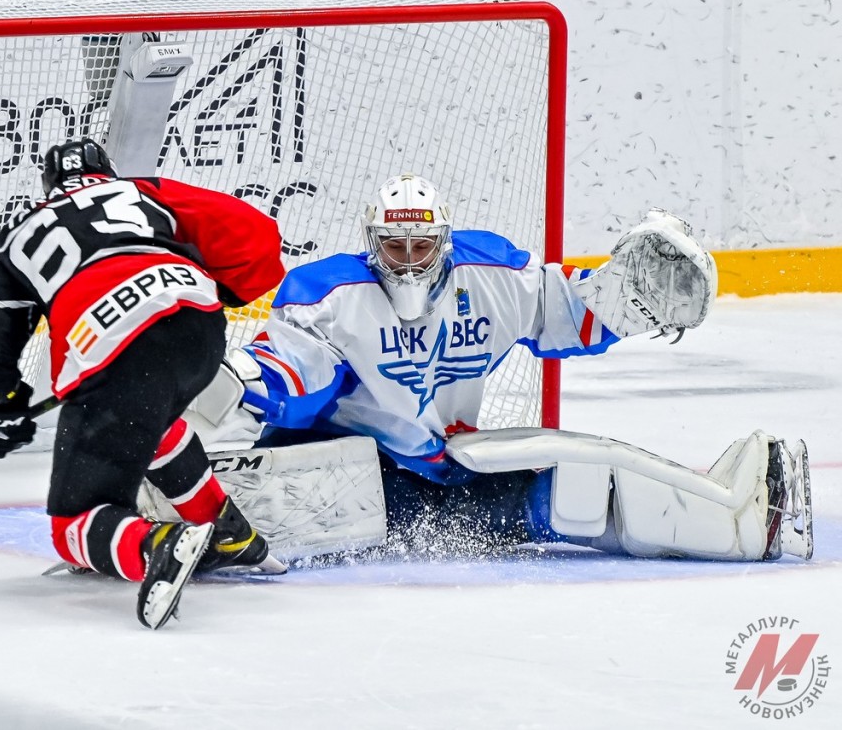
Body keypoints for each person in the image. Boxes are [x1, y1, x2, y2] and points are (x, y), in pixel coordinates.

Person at [205, 173, 812, 563]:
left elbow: (568, 309)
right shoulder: (333, 293)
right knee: (308, 495)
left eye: (421, 246)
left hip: (442, 463)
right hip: (345, 466)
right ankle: (184, 505)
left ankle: (740, 524)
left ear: (444, 240)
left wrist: (623, 296)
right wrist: (237, 387)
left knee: (574, 490)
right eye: (394, 246)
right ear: (373, 244)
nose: (409, 262)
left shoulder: (489, 275)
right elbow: (292, 373)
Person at [0, 137, 287, 629]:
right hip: (197, 323)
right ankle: (227, 532)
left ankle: (157, 544)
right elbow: (256, 233)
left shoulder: (19, 237)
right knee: (153, 423)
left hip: (111, 345)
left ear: (48, 187)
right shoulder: (139, 191)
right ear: (106, 173)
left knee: (74, 523)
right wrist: (225, 290)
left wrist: (2, 409)